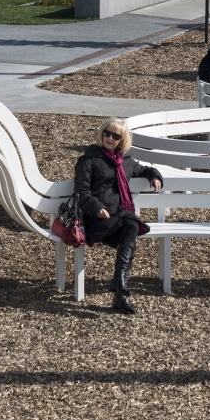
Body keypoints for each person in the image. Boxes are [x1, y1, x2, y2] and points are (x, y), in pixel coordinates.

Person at [74, 117, 163, 315]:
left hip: (120, 217)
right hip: (99, 219)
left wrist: (154, 176)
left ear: (122, 140)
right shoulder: (88, 160)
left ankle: (120, 289)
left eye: (115, 135)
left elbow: (145, 169)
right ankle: (119, 291)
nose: (110, 138)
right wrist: (96, 207)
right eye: (107, 133)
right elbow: (81, 192)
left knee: (131, 225)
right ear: (102, 133)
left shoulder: (126, 161)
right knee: (131, 226)